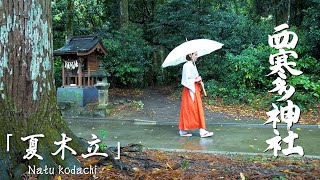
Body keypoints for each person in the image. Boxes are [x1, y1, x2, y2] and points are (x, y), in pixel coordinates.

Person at [178, 52, 214, 138]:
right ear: (190, 55)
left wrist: (199, 80)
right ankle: (202, 131)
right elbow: (186, 80)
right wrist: (196, 79)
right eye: (195, 54)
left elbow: (193, 77)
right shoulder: (187, 65)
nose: (197, 56)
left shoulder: (192, 65)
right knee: (191, 109)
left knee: (192, 109)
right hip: (190, 90)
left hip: (194, 89)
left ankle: (183, 130)